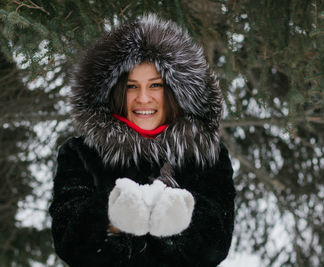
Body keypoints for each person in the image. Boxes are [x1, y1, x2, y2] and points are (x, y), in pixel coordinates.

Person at [48, 13, 235, 267]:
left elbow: (216, 247)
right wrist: (112, 213)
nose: (143, 98)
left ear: (176, 91)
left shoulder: (206, 154)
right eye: (131, 86)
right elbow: (69, 243)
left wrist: (181, 214)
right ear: (114, 91)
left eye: (155, 85)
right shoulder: (81, 152)